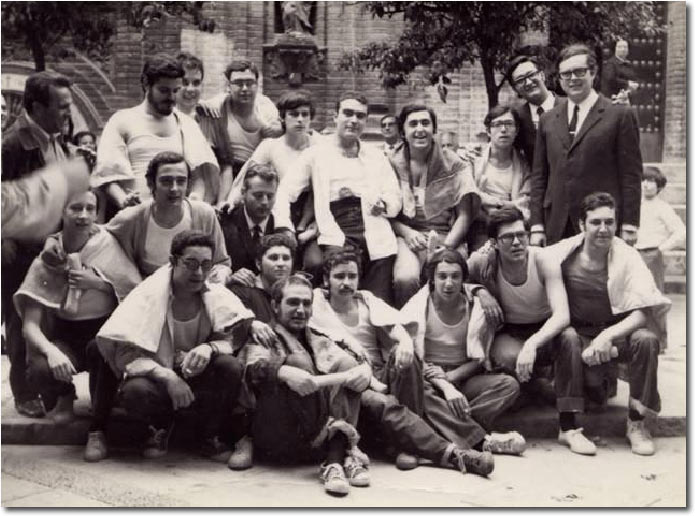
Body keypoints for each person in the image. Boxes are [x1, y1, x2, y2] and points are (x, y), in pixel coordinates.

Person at [312, 249, 524, 471]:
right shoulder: (318, 308)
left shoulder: (366, 300)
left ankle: (421, 440)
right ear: (326, 279)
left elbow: (396, 326)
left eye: (352, 276)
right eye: (339, 276)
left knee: (406, 356)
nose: (346, 282)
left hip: (380, 373)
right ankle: (464, 444)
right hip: (353, 379)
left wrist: (404, 342)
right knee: (398, 400)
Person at [95, 230, 254, 463]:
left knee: (229, 367)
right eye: (190, 264)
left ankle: (209, 436)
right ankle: (159, 428)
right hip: (158, 375)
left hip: (196, 374)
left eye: (205, 264)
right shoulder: (148, 295)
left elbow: (232, 337)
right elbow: (125, 353)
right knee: (135, 391)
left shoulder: (214, 294)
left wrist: (209, 348)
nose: (199, 273)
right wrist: (168, 377)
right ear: (172, 261)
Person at [546, 192, 670, 456]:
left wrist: (608, 337)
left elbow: (641, 313)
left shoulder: (628, 256)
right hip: (579, 334)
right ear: (582, 225)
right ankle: (567, 428)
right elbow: (529, 260)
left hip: (616, 334)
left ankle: (637, 424)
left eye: (609, 222)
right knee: (566, 336)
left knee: (646, 340)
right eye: (595, 222)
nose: (603, 229)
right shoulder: (564, 253)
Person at [13, 189, 141, 425]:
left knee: (101, 355)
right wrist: (52, 353)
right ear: (62, 211)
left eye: (89, 209)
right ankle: (64, 395)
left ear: (97, 213)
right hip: (66, 334)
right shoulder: (49, 257)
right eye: (75, 208)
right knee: (40, 367)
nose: (83, 215)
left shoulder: (108, 244)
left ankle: (103, 402)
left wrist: (101, 285)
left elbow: (134, 292)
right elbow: (30, 326)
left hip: (104, 332)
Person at [243, 274, 372, 496]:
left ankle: (336, 461)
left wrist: (364, 371)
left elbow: (354, 365)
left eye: (306, 303)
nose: (301, 310)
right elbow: (251, 370)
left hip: (316, 437)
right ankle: (338, 456)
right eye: (293, 302)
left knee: (347, 363)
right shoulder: (264, 335)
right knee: (298, 362)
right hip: (277, 438)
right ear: (275, 305)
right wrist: (281, 371)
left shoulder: (317, 338)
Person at [274, 91, 402, 304]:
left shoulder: (376, 156)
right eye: (348, 113)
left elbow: (394, 197)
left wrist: (384, 204)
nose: (353, 120)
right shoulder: (316, 154)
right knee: (338, 284)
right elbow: (285, 191)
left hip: (373, 227)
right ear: (336, 117)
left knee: (378, 302)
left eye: (360, 116)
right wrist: (284, 226)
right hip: (334, 227)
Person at [2, 71, 75, 418]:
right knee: (20, 319)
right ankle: (24, 391)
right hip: (19, 248)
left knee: (46, 318)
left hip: (50, 246)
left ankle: (45, 383)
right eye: (61, 107)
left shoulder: (56, 137)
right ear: (36, 107)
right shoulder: (13, 144)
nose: (68, 113)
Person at [529, 44, 643, 247]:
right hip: (556, 223)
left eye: (579, 72)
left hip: (601, 224)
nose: (573, 78)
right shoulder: (548, 119)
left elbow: (631, 175)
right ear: (560, 79)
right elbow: (539, 176)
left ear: (593, 73)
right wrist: (537, 224)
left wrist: (630, 224)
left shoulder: (619, 115)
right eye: (566, 74)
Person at [401, 249, 521, 431]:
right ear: (432, 279)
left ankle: (451, 428)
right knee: (416, 393)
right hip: (430, 380)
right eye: (442, 276)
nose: (448, 283)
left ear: (463, 279)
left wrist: (452, 376)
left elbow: (480, 360)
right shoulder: (418, 307)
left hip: (462, 377)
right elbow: (412, 355)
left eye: (455, 276)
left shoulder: (476, 309)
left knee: (508, 386)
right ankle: (471, 433)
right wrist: (440, 380)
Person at [466, 207, 574, 406]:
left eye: (521, 235)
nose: (516, 242)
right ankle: (535, 388)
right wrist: (479, 291)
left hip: (547, 329)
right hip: (511, 332)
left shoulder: (542, 260)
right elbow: (457, 276)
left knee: (570, 337)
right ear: (494, 243)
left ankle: (569, 407)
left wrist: (532, 344)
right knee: (506, 357)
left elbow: (562, 315)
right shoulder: (483, 261)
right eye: (508, 237)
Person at [92, 54, 219, 208]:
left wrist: (195, 199)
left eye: (175, 90)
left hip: (177, 215)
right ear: (146, 84)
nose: (171, 97)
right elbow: (107, 177)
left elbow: (199, 177)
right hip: (134, 216)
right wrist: (124, 201)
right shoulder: (121, 121)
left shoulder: (187, 125)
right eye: (164, 90)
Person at [389, 104, 480, 307]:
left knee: (448, 276)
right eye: (413, 124)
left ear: (434, 129)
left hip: (447, 236)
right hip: (408, 236)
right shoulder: (390, 163)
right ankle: (409, 331)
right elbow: (386, 214)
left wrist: (444, 248)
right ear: (403, 131)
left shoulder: (455, 164)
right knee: (405, 278)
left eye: (425, 123)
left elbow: (464, 216)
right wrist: (407, 233)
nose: (420, 129)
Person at [223, 90, 320, 262]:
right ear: (282, 117)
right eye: (293, 114)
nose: (300, 120)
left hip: (313, 211)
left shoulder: (319, 145)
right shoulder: (271, 146)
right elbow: (245, 176)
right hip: (279, 209)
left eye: (305, 115)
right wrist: (231, 201)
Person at [103, 151, 231, 281]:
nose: (174, 188)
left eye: (181, 181)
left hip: (195, 294)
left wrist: (220, 276)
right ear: (151, 184)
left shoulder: (204, 214)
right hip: (149, 296)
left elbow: (222, 263)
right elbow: (98, 238)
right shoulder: (133, 218)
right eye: (166, 181)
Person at [197, 60, 283, 205]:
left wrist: (281, 129)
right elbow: (198, 106)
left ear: (257, 85)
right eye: (238, 83)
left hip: (258, 171)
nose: (244, 88)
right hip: (225, 169)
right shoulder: (219, 106)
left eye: (250, 83)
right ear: (228, 86)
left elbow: (278, 139)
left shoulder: (265, 108)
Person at [469, 105, 531, 251]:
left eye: (509, 124)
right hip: (481, 226)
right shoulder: (473, 160)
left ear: (516, 131)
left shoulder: (525, 164)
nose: (503, 130)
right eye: (497, 124)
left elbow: (526, 200)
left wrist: (495, 204)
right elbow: (469, 193)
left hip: (514, 225)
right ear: (488, 131)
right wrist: (502, 204)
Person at [219, 162, 277, 286]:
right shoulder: (224, 223)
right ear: (243, 192)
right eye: (258, 195)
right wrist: (229, 277)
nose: (265, 202)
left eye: (270, 196)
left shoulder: (280, 228)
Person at [635, 166, 686, 293]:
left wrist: (660, 249)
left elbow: (681, 232)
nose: (645, 185)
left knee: (653, 291)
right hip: (633, 252)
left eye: (651, 181)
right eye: (643, 180)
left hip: (651, 254)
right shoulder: (634, 205)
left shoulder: (663, 208)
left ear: (660, 187)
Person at [506, 54, 559, 168]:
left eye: (531, 75)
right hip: (535, 183)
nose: (528, 82)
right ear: (516, 89)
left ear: (542, 75)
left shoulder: (571, 106)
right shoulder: (517, 118)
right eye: (520, 80)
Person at [174, 52, 205, 118]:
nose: (190, 89)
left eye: (196, 83)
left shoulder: (210, 119)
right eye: (185, 82)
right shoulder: (164, 120)